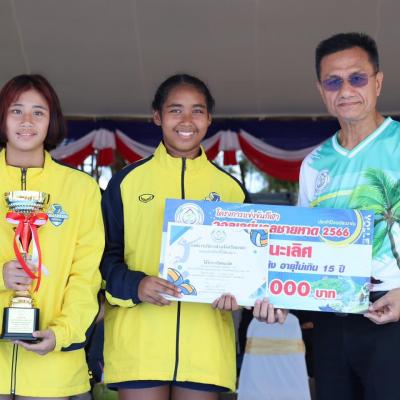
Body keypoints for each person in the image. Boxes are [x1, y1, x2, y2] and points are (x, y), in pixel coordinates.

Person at [101, 74, 284, 400]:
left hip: (205, 348)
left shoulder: (230, 190)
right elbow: (102, 258)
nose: (187, 121)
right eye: (175, 110)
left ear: (209, 118)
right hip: (139, 344)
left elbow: (251, 266)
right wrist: (137, 285)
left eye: (197, 111)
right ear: (157, 116)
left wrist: (239, 292)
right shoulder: (126, 182)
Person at [298, 32, 400, 399]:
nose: (346, 90)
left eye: (357, 78)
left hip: (392, 310)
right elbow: (303, 245)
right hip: (330, 316)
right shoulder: (313, 163)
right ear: (321, 90)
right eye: (333, 81)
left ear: (378, 82)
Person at [0, 74, 104, 399]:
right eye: (16, 110)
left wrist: (62, 334)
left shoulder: (81, 189)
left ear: (52, 120)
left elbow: (85, 275)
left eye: (38, 112)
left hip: (53, 368)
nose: (27, 121)